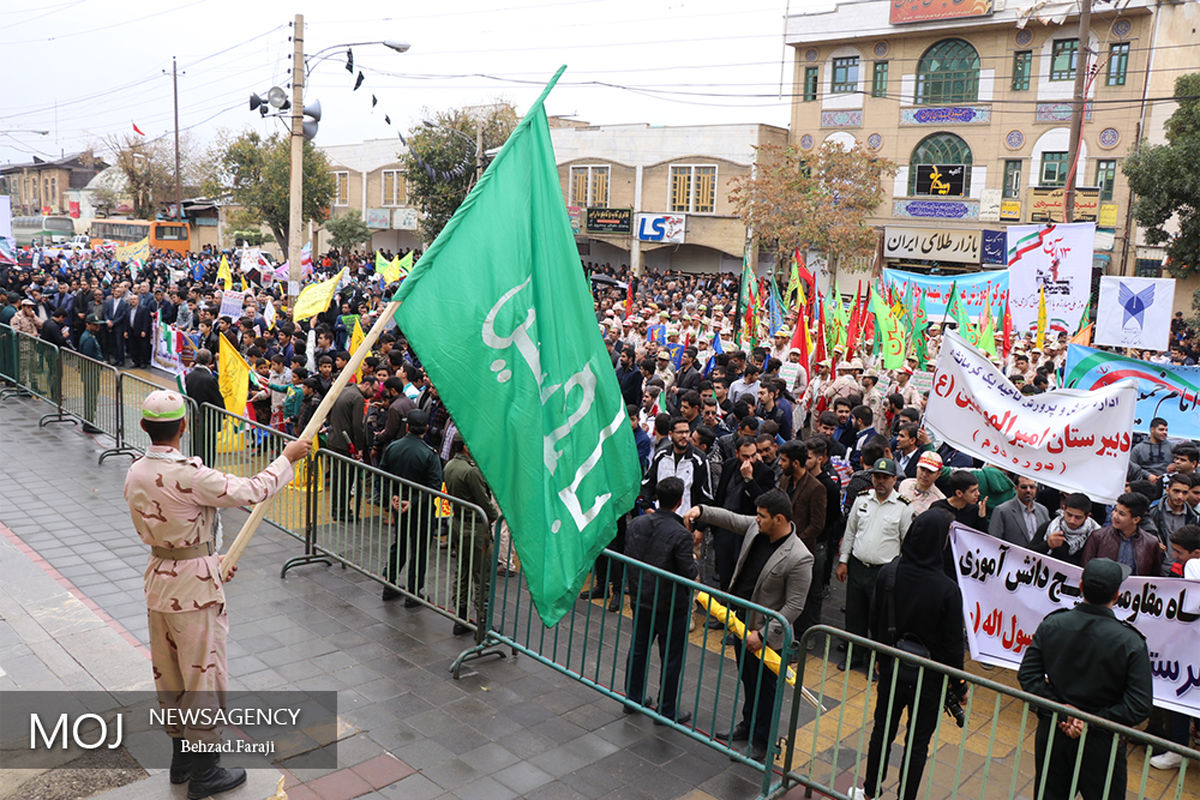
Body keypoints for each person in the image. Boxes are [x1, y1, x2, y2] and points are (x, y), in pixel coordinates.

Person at [124, 390, 311, 798]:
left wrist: (211, 555)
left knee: (168, 673)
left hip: (159, 577)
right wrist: (287, 458)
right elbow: (252, 490)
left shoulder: (136, 470)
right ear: (184, 426)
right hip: (194, 587)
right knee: (203, 676)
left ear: (143, 427)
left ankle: (182, 759)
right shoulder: (190, 475)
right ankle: (205, 772)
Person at [685, 489, 813, 762]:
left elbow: (794, 606)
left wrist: (764, 635)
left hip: (767, 637)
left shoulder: (799, 557)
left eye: (762, 516)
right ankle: (747, 724)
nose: (756, 519)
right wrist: (702, 511)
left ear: (779, 519)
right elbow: (732, 519)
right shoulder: (757, 529)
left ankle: (761, 743)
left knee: (765, 689)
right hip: (741, 622)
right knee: (748, 679)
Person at [852, 512, 966, 800]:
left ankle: (870, 792)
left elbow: (875, 619)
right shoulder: (948, 590)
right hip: (930, 679)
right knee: (918, 744)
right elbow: (953, 645)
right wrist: (959, 685)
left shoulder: (889, 573)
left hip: (892, 667)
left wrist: (880, 656)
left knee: (882, 731)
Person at [1018, 558, 1154, 800]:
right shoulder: (1130, 642)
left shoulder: (1054, 623)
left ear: (1080, 587)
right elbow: (1138, 705)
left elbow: (1028, 676)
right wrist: (1089, 720)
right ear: (1118, 595)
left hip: (1055, 732)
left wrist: (1063, 711)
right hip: (1102, 743)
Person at [622, 477, 698, 724]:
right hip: (670, 605)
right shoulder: (680, 534)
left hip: (641, 598)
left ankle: (632, 698)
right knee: (671, 658)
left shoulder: (637, 524)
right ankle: (666, 710)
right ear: (679, 502)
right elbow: (689, 572)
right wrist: (695, 560)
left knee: (638, 649)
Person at [837, 458, 914, 671]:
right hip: (858, 566)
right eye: (877, 477)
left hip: (884, 572)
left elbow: (906, 543)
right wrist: (843, 560)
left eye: (886, 478)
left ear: (894, 480)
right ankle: (855, 655)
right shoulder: (862, 500)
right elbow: (850, 532)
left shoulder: (903, 507)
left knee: (879, 620)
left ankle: (877, 662)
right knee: (854, 615)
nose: (881, 481)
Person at [378, 408, 443, 605]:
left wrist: (393, 497)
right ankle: (414, 592)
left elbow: (383, 474)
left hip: (399, 507)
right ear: (426, 428)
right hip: (421, 510)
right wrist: (412, 502)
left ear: (407, 427)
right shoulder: (429, 454)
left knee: (400, 544)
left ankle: (389, 584)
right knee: (420, 548)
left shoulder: (393, 447)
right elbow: (434, 486)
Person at [1150, 524, 1200, 770]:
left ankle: (1179, 747)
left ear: (1197, 553)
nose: (1175, 557)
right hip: (1188, 648)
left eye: (1179, 552)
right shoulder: (1187, 566)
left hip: (1192, 651)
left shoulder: (1193, 567)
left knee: (1183, 692)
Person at [443, 432, 500, 640]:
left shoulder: (449, 466)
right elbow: (486, 506)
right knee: (482, 576)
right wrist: (494, 516)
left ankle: (460, 617)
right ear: (466, 447)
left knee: (462, 572)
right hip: (476, 528)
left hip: (458, 524)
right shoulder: (471, 471)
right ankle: (483, 623)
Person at [326, 375, 376, 521]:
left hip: (334, 439)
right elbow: (357, 426)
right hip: (346, 445)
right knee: (345, 480)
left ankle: (336, 509)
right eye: (372, 390)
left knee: (337, 479)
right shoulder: (358, 398)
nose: (372, 395)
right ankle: (342, 511)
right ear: (366, 384)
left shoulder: (345, 389)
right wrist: (360, 448)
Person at [1081, 492, 1163, 576]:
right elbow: (1086, 569)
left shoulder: (1151, 543)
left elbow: (1154, 576)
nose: (1115, 516)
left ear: (1136, 520)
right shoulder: (1098, 536)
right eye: (1115, 510)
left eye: (1122, 514)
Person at [1029, 493, 1099, 566]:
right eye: (1069, 515)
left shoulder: (1095, 535)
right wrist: (1047, 544)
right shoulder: (1049, 527)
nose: (1072, 520)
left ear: (1087, 516)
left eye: (1078, 517)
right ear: (1063, 509)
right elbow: (1026, 554)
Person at [183, 349, 224, 466]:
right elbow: (218, 401)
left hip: (194, 416)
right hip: (208, 419)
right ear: (209, 360)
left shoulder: (190, 376)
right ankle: (207, 469)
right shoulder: (210, 379)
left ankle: (194, 466)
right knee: (209, 447)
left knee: (195, 443)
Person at [988, 477, 1050, 547]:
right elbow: (993, 543)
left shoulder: (1043, 510)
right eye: (1024, 487)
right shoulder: (1002, 511)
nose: (1028, 490)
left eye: (1032, 487)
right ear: (1016, 488)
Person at [78, 314, 105, 433]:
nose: (97, 326)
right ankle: (88, 422)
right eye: (94, 324)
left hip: (91, 371)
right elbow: (88, 357)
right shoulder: (88, 338)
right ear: (88, 324)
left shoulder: (90, 336)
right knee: (91, 397)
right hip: (91, 371)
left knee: (91, 396)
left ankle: (88, 420)